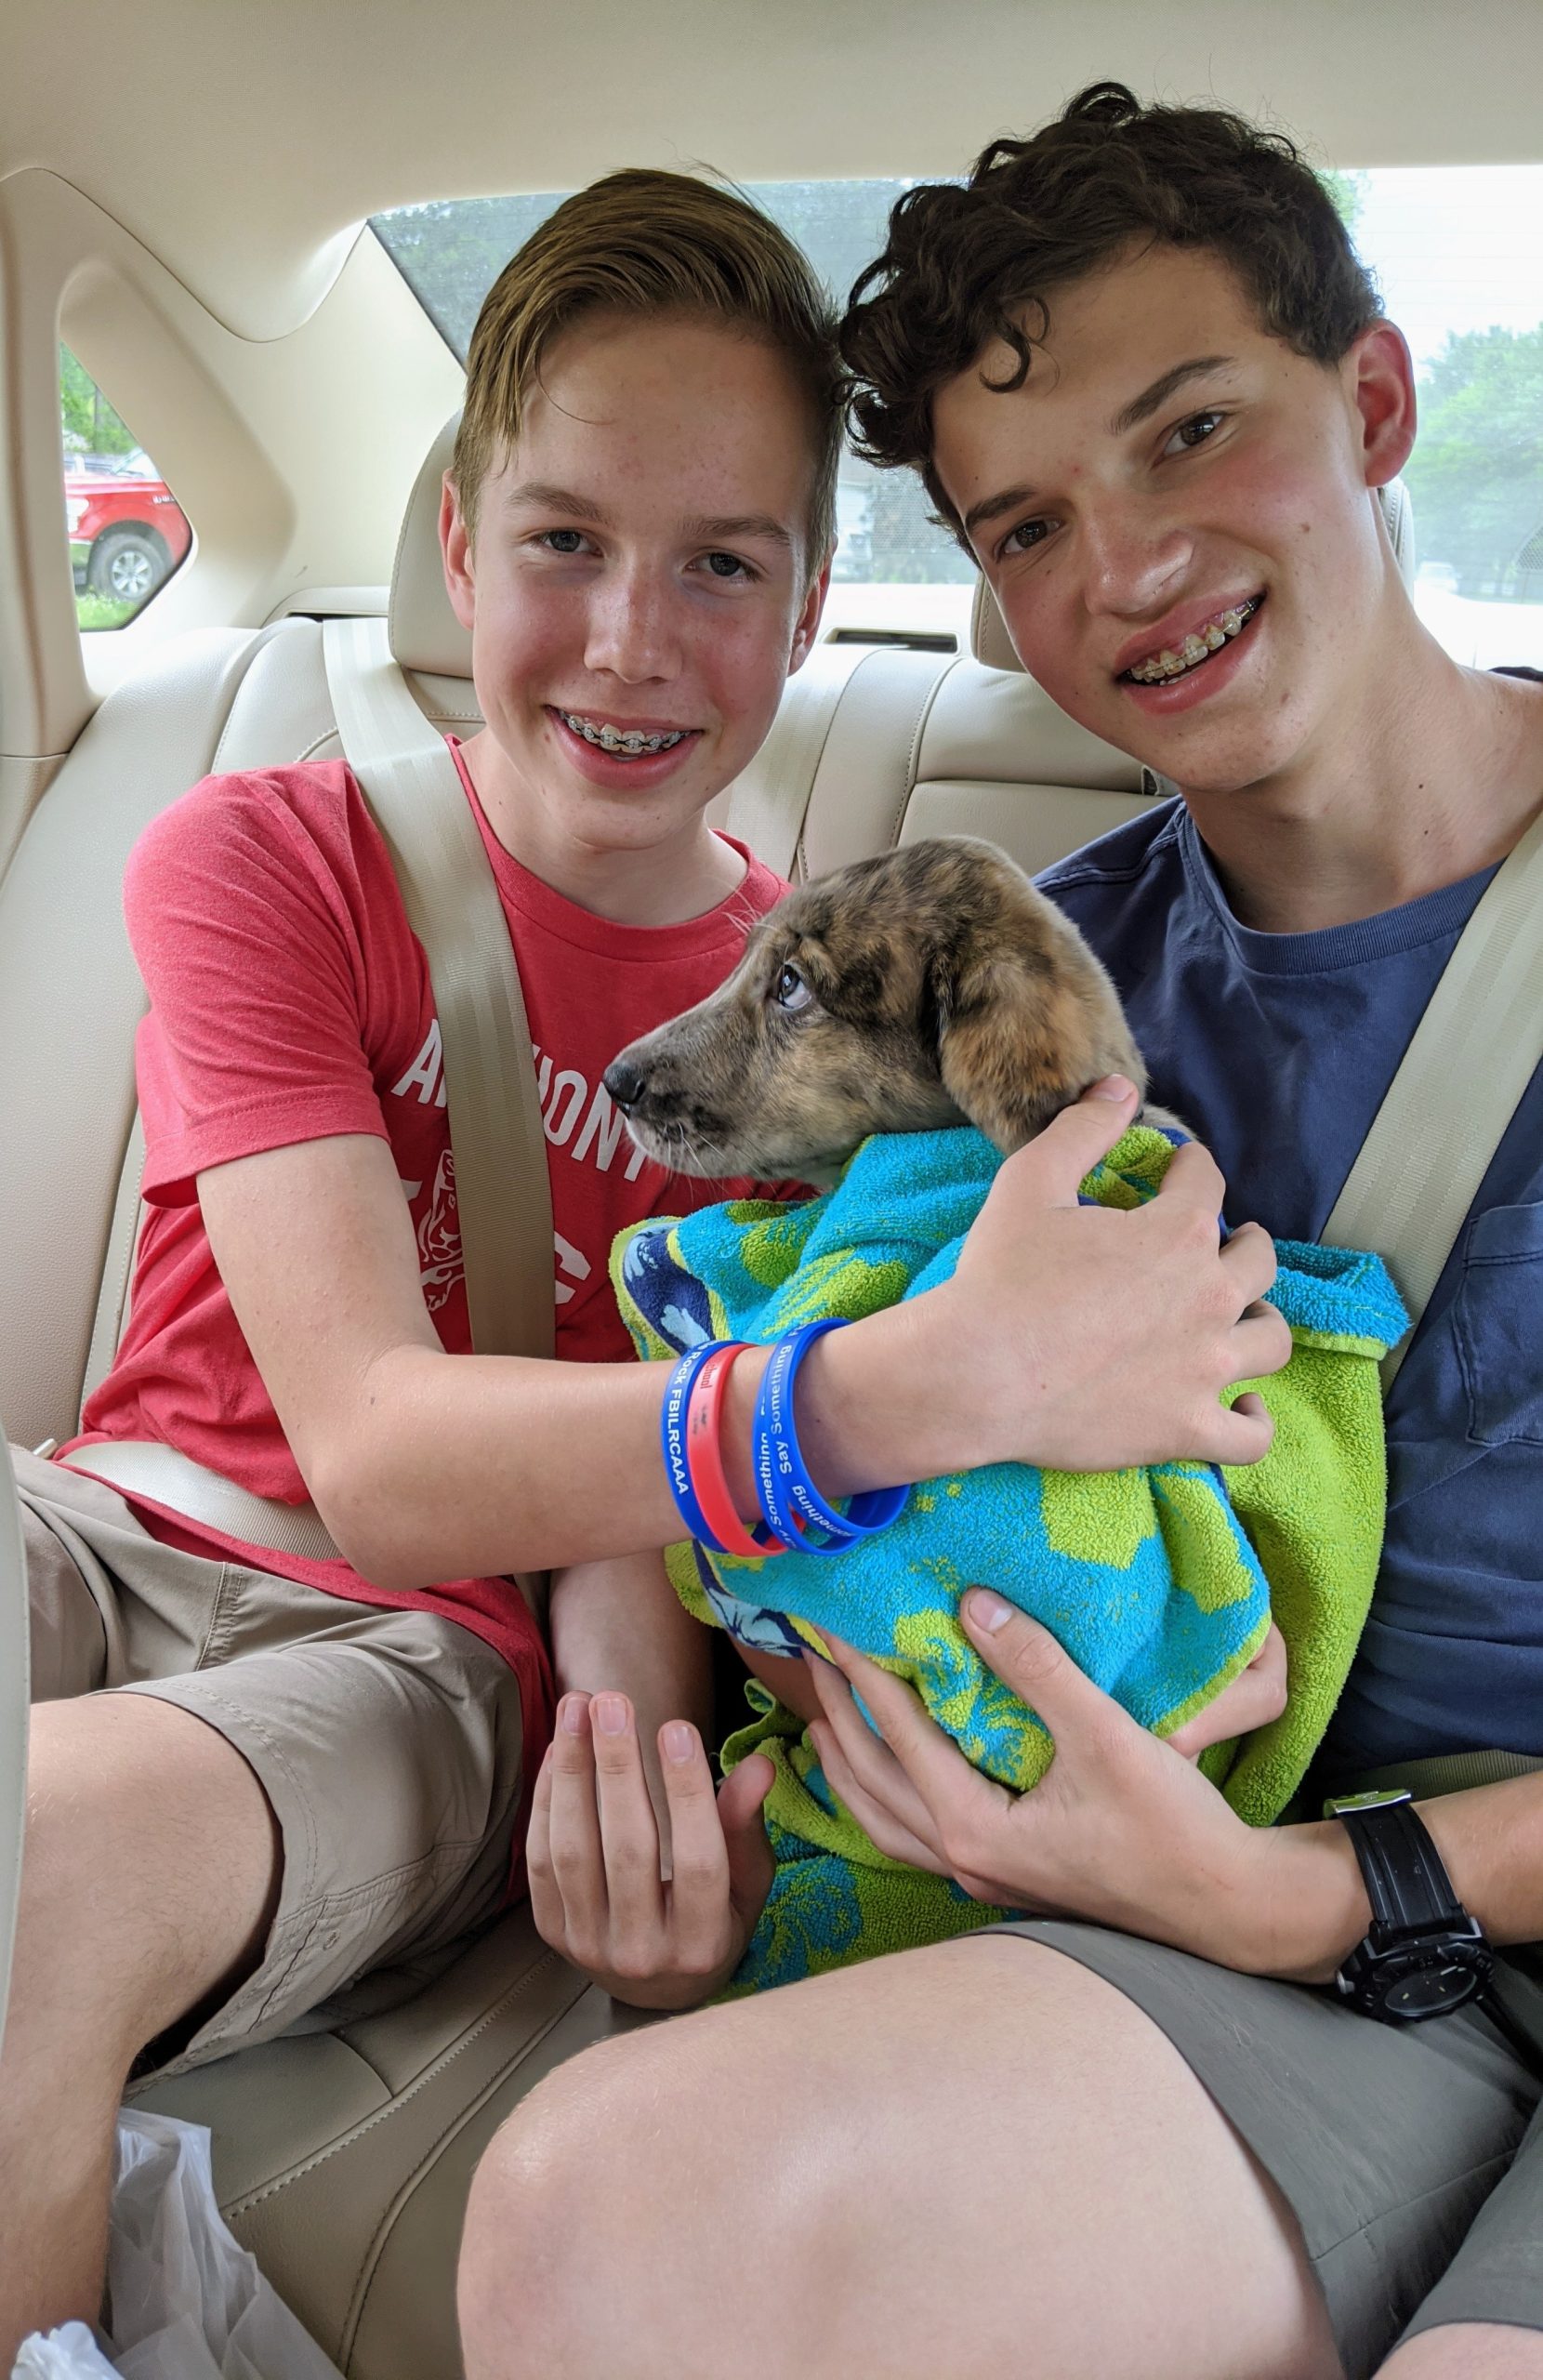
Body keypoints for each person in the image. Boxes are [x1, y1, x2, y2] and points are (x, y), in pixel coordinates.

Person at [0, 161, 1283, 2362]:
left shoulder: (830, 1036)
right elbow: (374, 1426)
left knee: (44, 1856)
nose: (627, 638)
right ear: (459, 551)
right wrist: (924, 1386)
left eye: (719, 566)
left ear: (802, 616)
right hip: (110, 1513)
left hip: (417, 1667)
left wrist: (649, 1829)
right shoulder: (269, 852)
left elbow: (574, 1512)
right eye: (567, 543)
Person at [455, 87, 1543, 2380]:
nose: (1121, 567)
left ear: (1366, 402)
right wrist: (659, 1766)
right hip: (1187, 1924)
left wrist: (1299, 1883)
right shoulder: (979, 990)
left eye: (1187, 434)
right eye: (1028, 521)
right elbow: (712, 1393)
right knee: (591, 2205)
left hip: (1350, 1881)